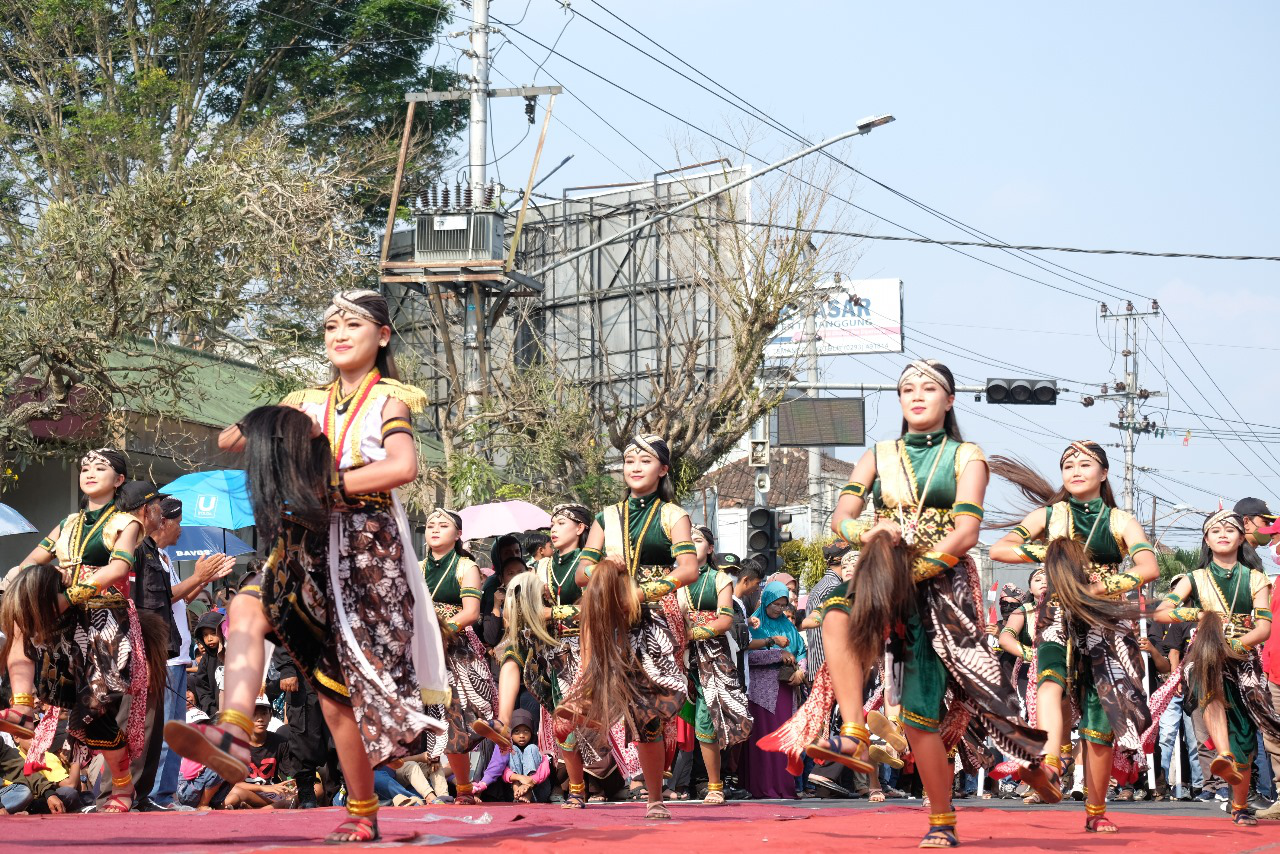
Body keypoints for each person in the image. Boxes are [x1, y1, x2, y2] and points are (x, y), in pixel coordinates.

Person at [164, 289, 448, 844]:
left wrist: (324, 483)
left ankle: (364, 810)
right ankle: (234, 735)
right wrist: (271, 425)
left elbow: (403, 465)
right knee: (246, 606)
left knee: (336, 694)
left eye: (353, 325)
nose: (339, 334)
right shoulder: (305, 399)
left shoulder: (390, 400)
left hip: (367, 554)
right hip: (304, 544)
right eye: (330, 327)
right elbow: (231, 439)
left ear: (382, 336)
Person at [767, 359, 1046, 848]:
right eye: (907, 389)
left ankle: (946, 817)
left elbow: (966, 532)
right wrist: (866, 532)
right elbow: (842, 517)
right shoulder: (878, 454)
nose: (916, 395)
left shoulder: (967, 455)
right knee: (835, 615)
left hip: (943, 585)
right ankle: (853, 729)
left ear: (950, 399)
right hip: (881, 575)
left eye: (929, 388)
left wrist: (916, 569)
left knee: (924, 714)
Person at [989, 440, 1159, 832]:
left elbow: (1148, 565)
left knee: (1099, 721)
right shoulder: (1050, 515)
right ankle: (1050, 765)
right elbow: (1001, 548)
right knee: (1050, 680)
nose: (1076, 470)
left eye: (1086, 463)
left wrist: (1101, 587)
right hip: (1057, 611)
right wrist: (1053, 554)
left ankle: (1096, 811)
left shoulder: (1120, 520)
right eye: (1068, 464)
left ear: (1104, 473)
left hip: (1104, 618)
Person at [0, 448, 169, 814]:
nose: (90, 472)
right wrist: (16, 576)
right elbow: (34, 560)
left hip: (106, 624)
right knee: (16, 611)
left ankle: (123, 788)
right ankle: (22, 708)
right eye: (85, 468)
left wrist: (71, 594)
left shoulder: (126, 523)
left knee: (93, 715)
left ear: (119, 479)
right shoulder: (67, 523)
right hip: (65, 621)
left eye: (101, 467)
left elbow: (118, 569)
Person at [564, 434, 700, 820]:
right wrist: (607, 569)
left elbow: (688, 569)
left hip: (655, 616)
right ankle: (586, 694)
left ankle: (655, 796)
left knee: (647, 713)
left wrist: (643, 592)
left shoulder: (673, 514)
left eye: (644, 460)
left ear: (663, 469)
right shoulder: (608, 515)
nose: (635, 467)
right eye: (628, 461)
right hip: (613, 617)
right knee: (636, 710)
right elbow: (582, 575)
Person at [1155, 510, 1279, 826]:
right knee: (1209, 684)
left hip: (1242, 656)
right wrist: (1198, 616)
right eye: (1215, 530)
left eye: (1230, 529)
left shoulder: (1255, 578)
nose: (1222, 534)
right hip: (1206, 653)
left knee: (1246, 739)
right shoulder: (1192, 579)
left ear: (1241, 537)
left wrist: (1237, 645)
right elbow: (1163, 612)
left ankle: (1240, 805)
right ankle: (1222, 753)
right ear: (1206, 540)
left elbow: (1264, 626)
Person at [474, 504, 601, 809]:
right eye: (552, 524)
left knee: (566, 723)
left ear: (580, 528)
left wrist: (550, 612)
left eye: (560, 523)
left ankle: (584, 788)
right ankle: (503, 722)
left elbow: (593, 610)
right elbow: (523, 602)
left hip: (582, 646)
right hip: (548, 648)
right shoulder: (542, 567)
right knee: (512, 651)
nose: (553, 529)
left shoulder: (592, 566)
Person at [142, 496, 236, 811]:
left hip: (178, 657)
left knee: (175, 729)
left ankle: (165, 794)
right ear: (162, 522)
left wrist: (205, 578)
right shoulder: (148, 556)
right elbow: (161, 599)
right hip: (165, 658)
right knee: (166, 731)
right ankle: (157, 795)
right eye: (178, 522)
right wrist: (198, 577)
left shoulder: (164, 557)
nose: (181, 528)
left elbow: (178, 599)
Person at [418, 508, 496, 805]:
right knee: (443, 723)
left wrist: (441, 630)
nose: (434, 529)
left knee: (466, 717)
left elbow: (471, 613)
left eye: (443, 525)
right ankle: (463, 789)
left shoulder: (466, 566)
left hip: (457, 651)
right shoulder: (418, 566)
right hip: (425, 654)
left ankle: (465, 784)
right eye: (429, 525)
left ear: (458, 534)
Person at [678, 526, 751, 804]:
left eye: (697, 541)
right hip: (679, 656)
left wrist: (689, 631)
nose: (691, 545)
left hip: (712, 656)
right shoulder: (674, 580)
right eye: (687, 541)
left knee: (706, 722)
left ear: (710, 548)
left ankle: (715, 785)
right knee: (673, 721)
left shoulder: (718, 578)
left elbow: (724, 621)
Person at [742, 580, 807, 800]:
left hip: (787, 688)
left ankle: (784, 787)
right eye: (775, 604)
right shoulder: (754, 624)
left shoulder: (788, 626)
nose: (779, 609)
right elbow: (747, 655)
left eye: (783, 605)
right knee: (765, 739)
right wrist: (776, 655)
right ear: (767, 600)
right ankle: (763, 787)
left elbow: (800, 650)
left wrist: (802, 671)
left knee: (785, 740)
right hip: (762, 693)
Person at [505, 709, 551, 803]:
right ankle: (517, 790)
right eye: (517, 731)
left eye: (526, 731)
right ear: (511, 733)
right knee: (512, 748)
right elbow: (503, 770)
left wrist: (528, 783)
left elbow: (545, 769)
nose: (522, 735)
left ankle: (528, 792)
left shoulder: (539, 745)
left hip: (537, 789)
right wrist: (519, 778)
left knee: (531, 748)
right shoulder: (506, 747)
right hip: (514, 791)